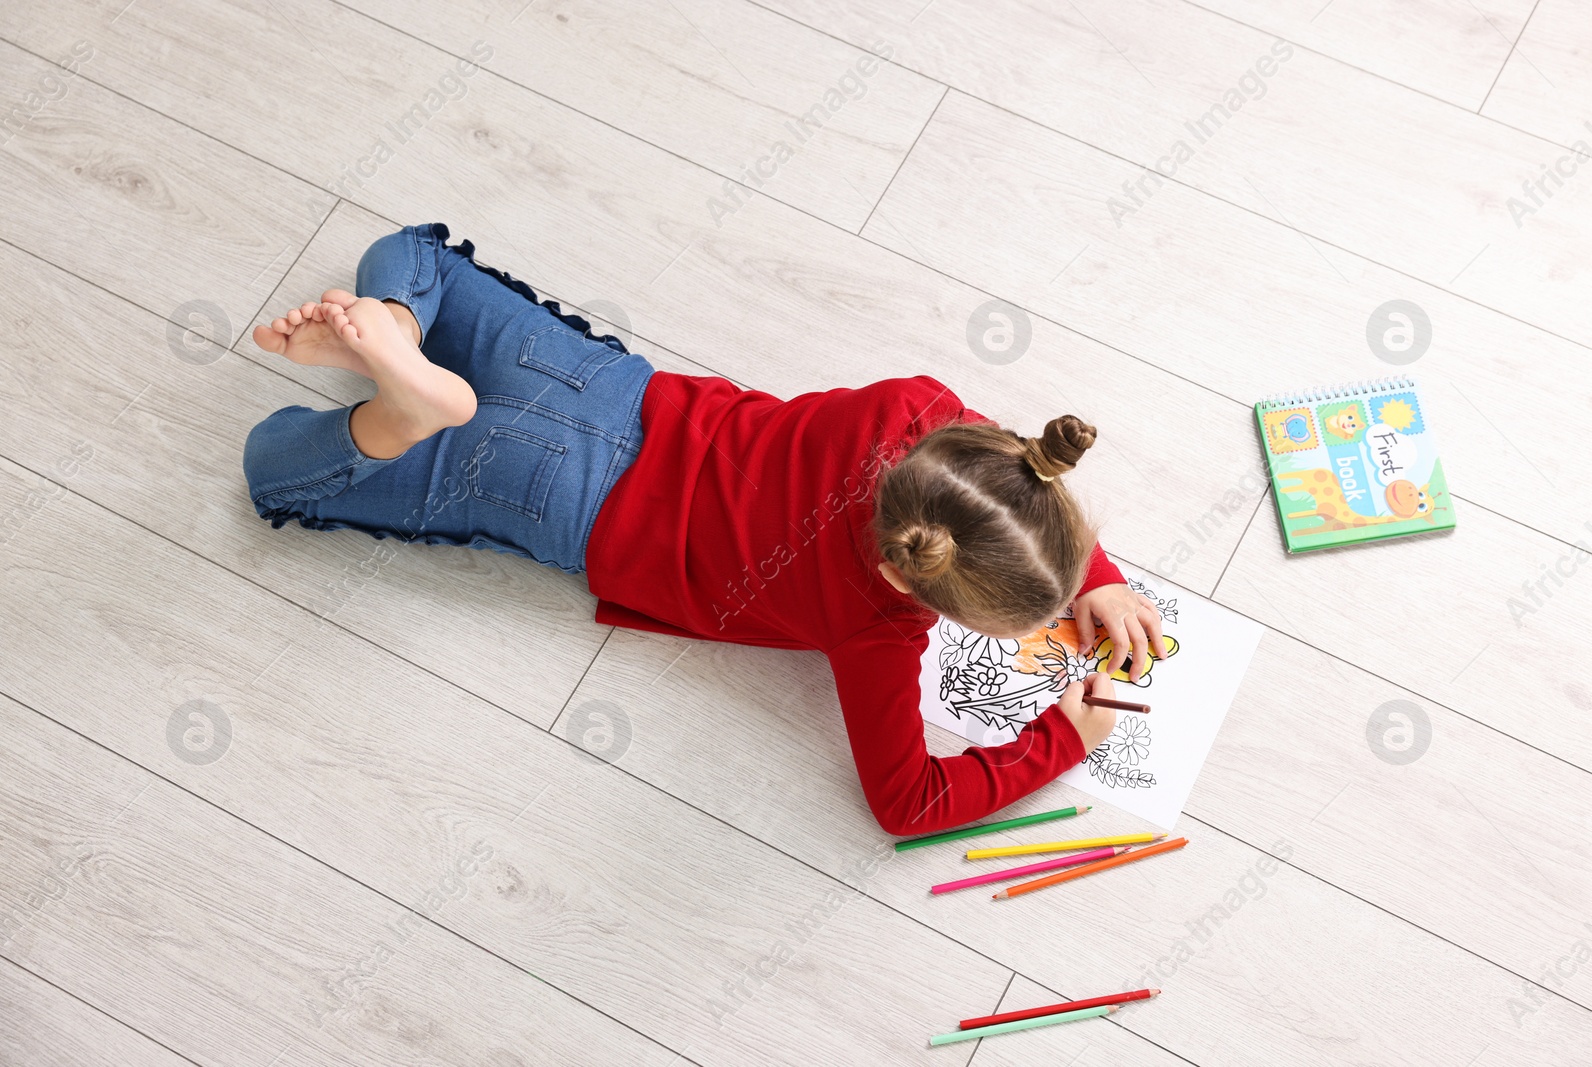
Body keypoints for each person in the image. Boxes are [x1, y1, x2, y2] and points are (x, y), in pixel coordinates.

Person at [243, 223, 1166, 836]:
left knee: (415, 252)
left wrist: (1094, 570)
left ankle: (396, 332)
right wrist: (1063, 741)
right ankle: (390, 421)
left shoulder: (914, 405)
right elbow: (907, 801)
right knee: (275, 465)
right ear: (912, 580)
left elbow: (992, 475)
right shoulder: (875, 629)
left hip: (599, 386)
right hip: (554, 499)